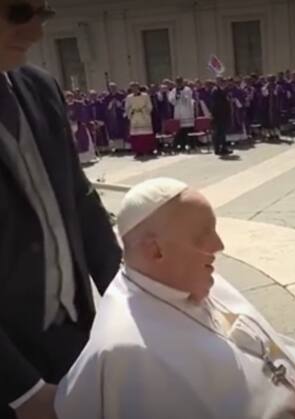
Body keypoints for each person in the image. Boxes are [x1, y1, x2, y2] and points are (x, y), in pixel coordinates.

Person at [55, 178, 295, 419]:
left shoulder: (199, 279)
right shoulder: (127, 351)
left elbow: (273, 349)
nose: (219, 245)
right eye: (203, 235)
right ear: (155, 250)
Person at [0, 3, 122, 418]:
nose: (35, 32)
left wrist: (130, 298)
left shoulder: (39, 86)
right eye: (17, 12)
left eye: (43, 13)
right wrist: (22, 390)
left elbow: (80, 200)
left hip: (76, 336)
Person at [125, 82, 156, 157]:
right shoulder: (129, 97)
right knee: (136, 136)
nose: (134, 89)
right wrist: (131, 111)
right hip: (135, 116)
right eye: (132, 88)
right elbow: (127, 107)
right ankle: (138, 151)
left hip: (144, 116)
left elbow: (149, 105)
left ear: (138, 88)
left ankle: (149, 149)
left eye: (135, 87)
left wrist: (144, 110)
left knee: (146, 135)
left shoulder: (145, 96)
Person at [170, 77, 196, 151]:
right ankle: (182, 145)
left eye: (180, 82)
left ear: (182, 82)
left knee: (189, 130)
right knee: (180, 130)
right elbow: (171, 100)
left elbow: (188, 98)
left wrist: (181, 95)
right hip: (178, 112)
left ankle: (192, 145)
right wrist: (175, 98)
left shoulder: (187, 89)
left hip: (187, 112)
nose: (178, 84)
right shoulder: (174, 90)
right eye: (177, 82)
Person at [210, 78, 233, 156]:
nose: (223, 84)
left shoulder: (224, 91)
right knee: (218, 132)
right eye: (222, 83)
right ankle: (217, 149)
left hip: (224, 114)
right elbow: (216, 103)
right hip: (218, 115)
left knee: (223, 132)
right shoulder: (215, 90)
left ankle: (223, 148)